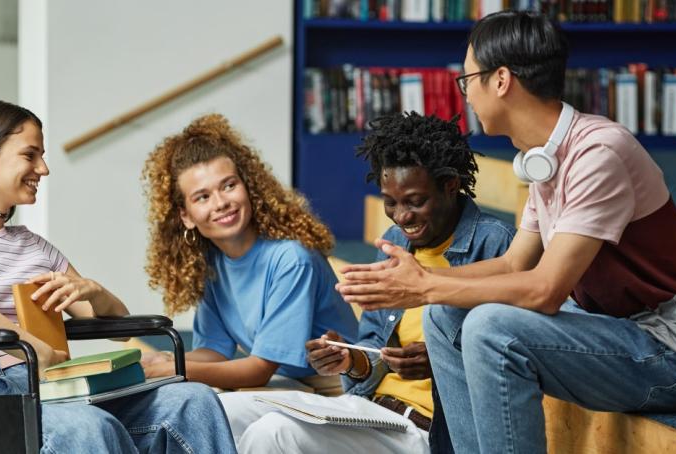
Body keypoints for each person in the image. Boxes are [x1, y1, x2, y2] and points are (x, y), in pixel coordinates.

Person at [336, 10, 676, 453]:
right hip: (614, 332)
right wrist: (415, 285)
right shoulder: (545, 158)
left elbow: (545, 290)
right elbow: (514, 263)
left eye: (467, 79)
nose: (466, 95)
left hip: (675, 350)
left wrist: (426, 286)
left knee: (493, 327)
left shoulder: (598, 154)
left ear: (500, 80)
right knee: (443, 317)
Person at [0, 100, 237, 454]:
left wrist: (93, 291)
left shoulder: (35, 247)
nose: (43, 168)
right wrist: (30, 345)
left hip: (55, 384)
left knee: (193, 401)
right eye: (30, 155)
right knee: (90, 427)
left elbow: (115, 323)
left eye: (42, 156)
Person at [218, 112, 515, 453]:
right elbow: (375, 347)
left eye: (416, 201)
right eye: (391, 202)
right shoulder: (395, 242)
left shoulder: (497, 246)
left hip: (426, 432)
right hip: (373, 411)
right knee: (217, 411)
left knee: (274, 433)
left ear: (450, 185)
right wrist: (349, 360)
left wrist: (440, 364)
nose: (402, 216)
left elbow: (511, 359)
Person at [140, 114, 358, 392]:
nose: (221, 203)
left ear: (248, 187)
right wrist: (164, 360)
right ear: (186, 216)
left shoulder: (292, 259)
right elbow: (214, 352)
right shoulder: (211, 263)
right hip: (290, 382)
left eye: (229, 185)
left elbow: (258, 370)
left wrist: (174, 368)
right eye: (202, 197)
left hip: (338, 387)